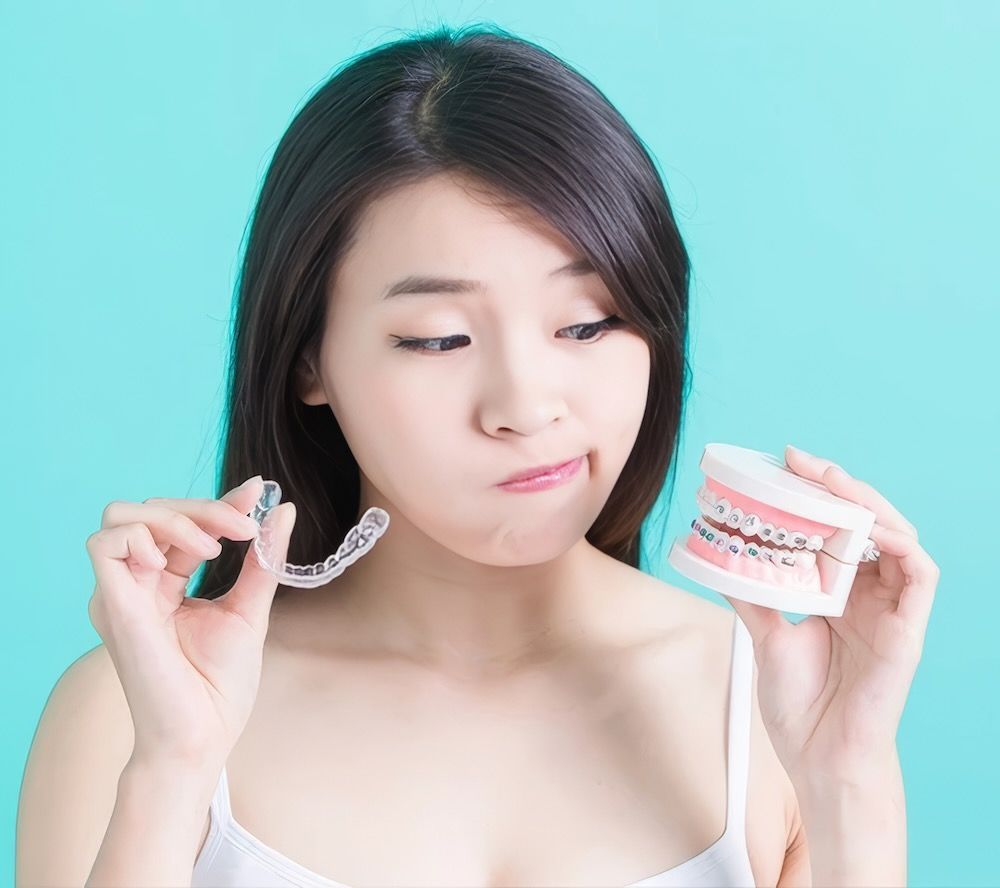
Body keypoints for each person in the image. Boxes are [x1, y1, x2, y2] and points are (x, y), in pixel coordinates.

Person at [17, 23, 810, 887]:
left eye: (587, 324)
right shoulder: (133, 713)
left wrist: (850, 780)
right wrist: (171, 768)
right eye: (439, 339)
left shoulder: (774, 707)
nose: (525, 407)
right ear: (309, 359)